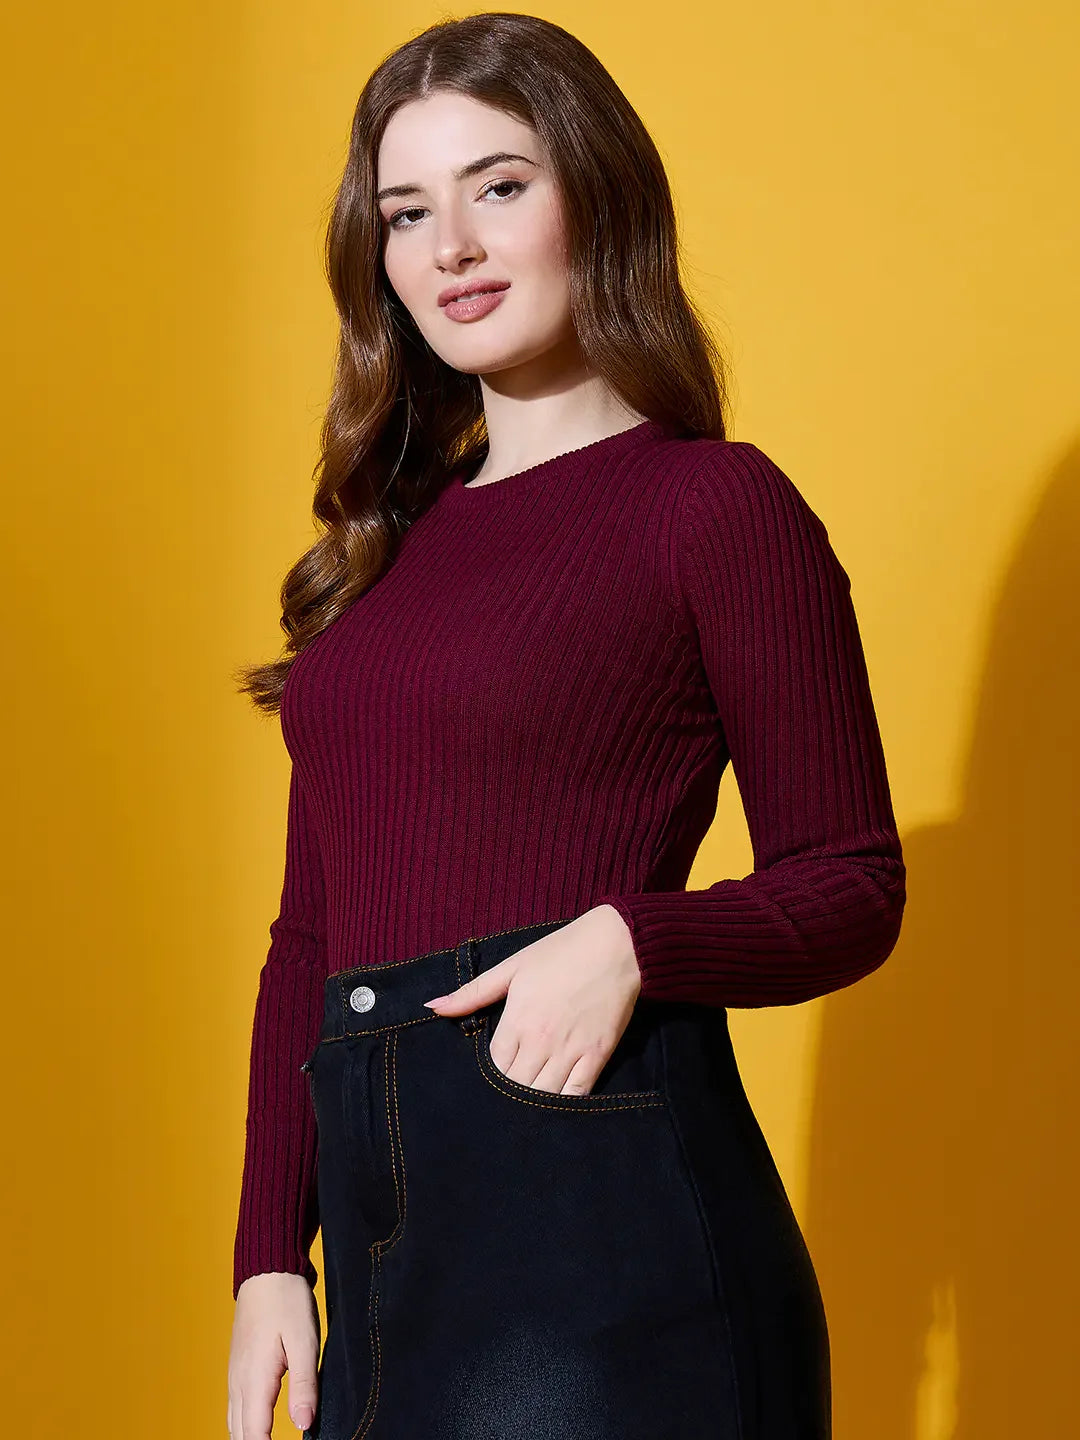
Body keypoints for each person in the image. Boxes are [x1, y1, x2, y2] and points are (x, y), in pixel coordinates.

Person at [225, 13, 906, 1440]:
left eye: (501, 186)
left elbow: (851, 882)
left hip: (603, 1232)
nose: (451, 248)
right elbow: (311, 935)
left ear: (596, 193)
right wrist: (267, 1256)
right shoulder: (383, 558)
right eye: (407, 212)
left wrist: (635, 939)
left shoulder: (712, 506)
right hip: (380, 1246)